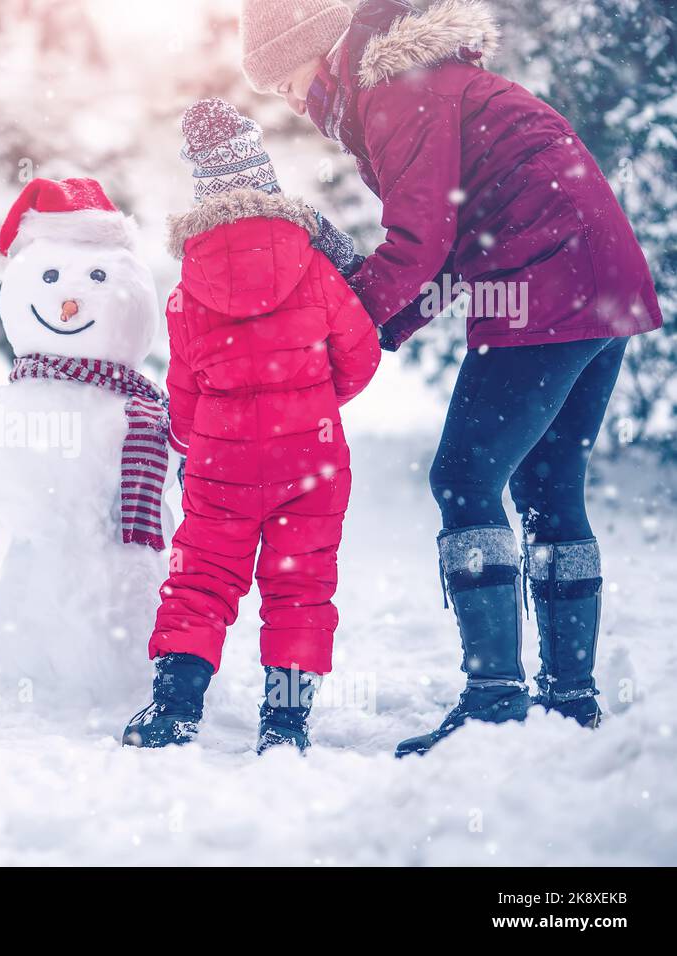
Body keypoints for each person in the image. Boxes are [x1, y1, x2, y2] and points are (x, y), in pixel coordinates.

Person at [239, 0, 663, 755]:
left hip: (549, 285)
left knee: (464, 476)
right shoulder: (418, 83)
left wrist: (340, 334)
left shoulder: (399, 90)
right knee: (546, 486)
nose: (295, 105)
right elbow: (446, 249)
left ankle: (494, 698)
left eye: (290, 82)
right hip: (598, 285)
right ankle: (569, 703)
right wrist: (374, 320)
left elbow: (421, 243)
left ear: (321, 48)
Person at [123, 98, 380, 753]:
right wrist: (314, 400)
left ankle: (174, 708)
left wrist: (191, 437)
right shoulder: (316, 265)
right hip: (311, 461)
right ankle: (285, 722)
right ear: (265, 181)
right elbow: (361, 354)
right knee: (301, 586)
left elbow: (184, 388)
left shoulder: (189, 285)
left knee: (202, 577)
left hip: (221, 463)